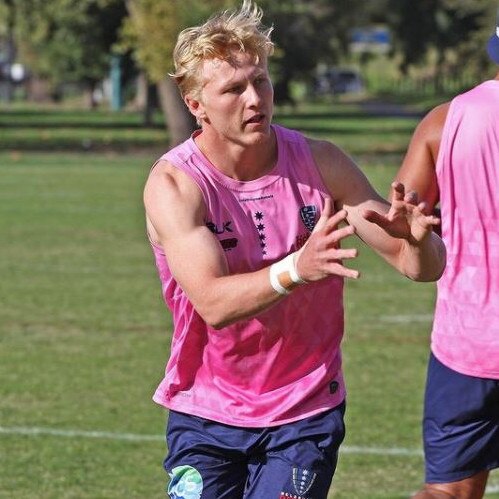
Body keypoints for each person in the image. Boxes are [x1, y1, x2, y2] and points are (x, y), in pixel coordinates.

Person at [143, 1, 446, 497]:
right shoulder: (176, 184)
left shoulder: (321, 162)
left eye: (260, 81)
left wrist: (420, 241)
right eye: (233, 89)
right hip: (206, 410)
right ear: (194, 102)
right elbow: (214, 304)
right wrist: (297, 269)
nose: (253, 98)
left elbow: (418, 268)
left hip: (303, 411)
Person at [394, 23, 499, 499]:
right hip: (465, 346)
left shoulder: (444, 120)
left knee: (447, 492)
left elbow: (401, 221)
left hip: (467, 344)